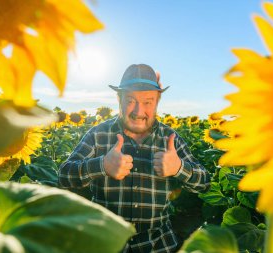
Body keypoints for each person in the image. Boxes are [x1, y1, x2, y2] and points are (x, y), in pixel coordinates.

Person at [58, 64, 210, 253]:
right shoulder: (98, 135)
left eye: (148, 102)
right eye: (130, 100)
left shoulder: (170, 138)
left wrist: (179, 167)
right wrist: (101, 165)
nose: (139, 111)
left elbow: (205, 182)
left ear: (157, 102)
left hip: (158, 246)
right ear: (119, 99)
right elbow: (64, 176)